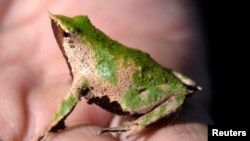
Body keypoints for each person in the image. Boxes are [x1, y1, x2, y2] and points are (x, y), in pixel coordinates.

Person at [0, 1, 211, 140]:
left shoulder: (83, 77)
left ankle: (169, 99)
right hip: (149, 69)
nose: (60, 33)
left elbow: (69, 101)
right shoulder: (83, 71)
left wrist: (50, 128)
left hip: (138, 87)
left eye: (66, 35)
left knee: (130, 101)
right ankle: (179, 86)